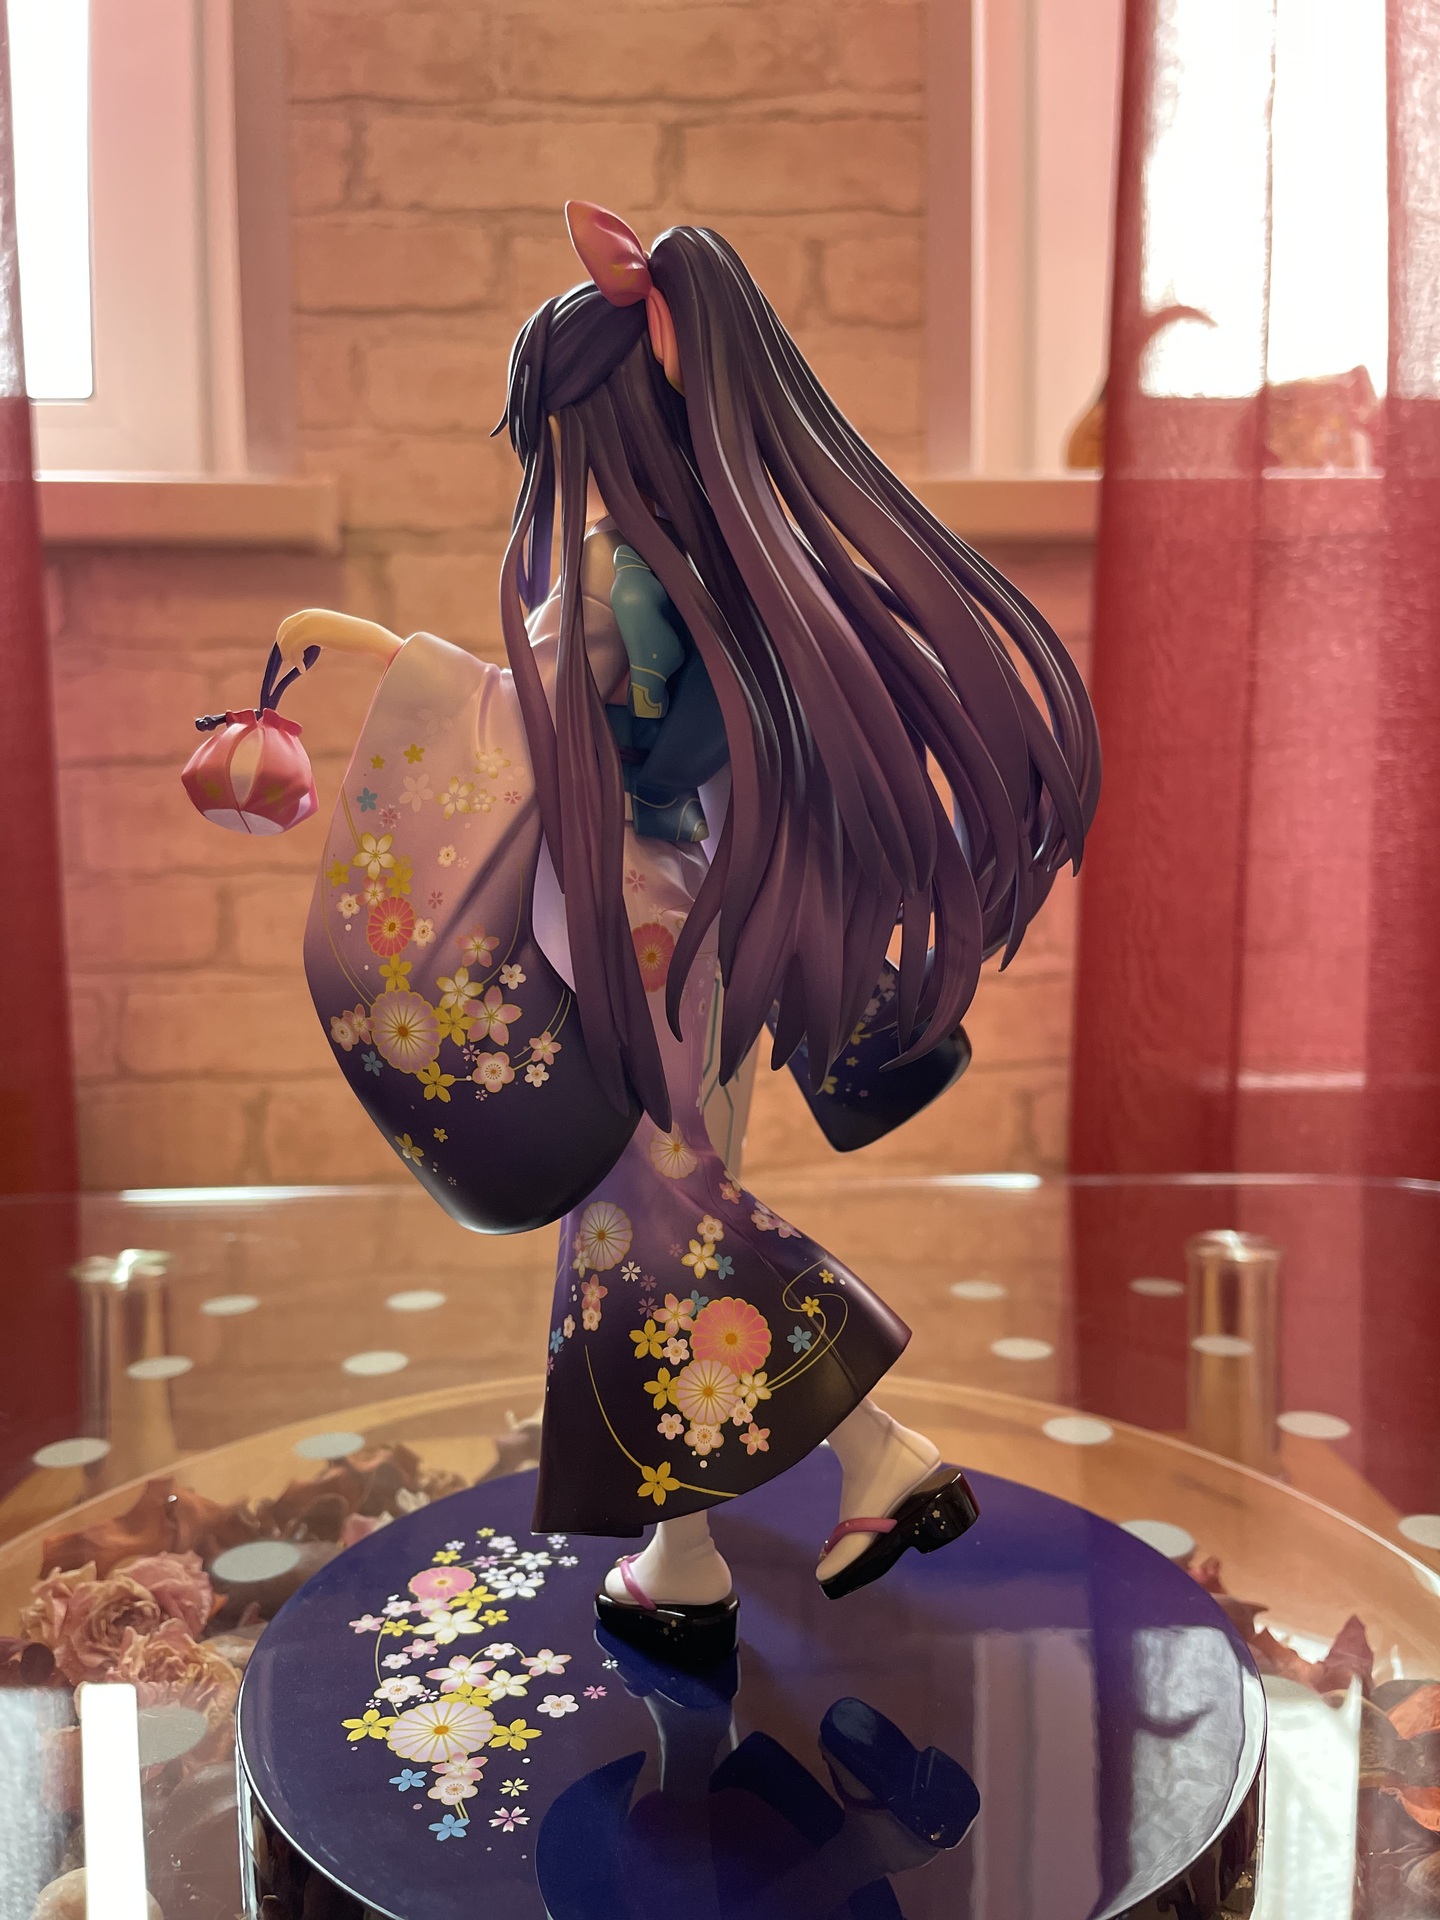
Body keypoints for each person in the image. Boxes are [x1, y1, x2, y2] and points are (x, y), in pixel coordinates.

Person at [271, 204, 1100, 1665]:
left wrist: (370, 653)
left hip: (634, 939)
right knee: (652, 1228)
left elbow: (516, 719)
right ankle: (685, 1551)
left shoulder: (617, 573)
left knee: (652, 1226)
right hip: (698, 927)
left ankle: (875, 1458)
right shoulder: (732, 557)